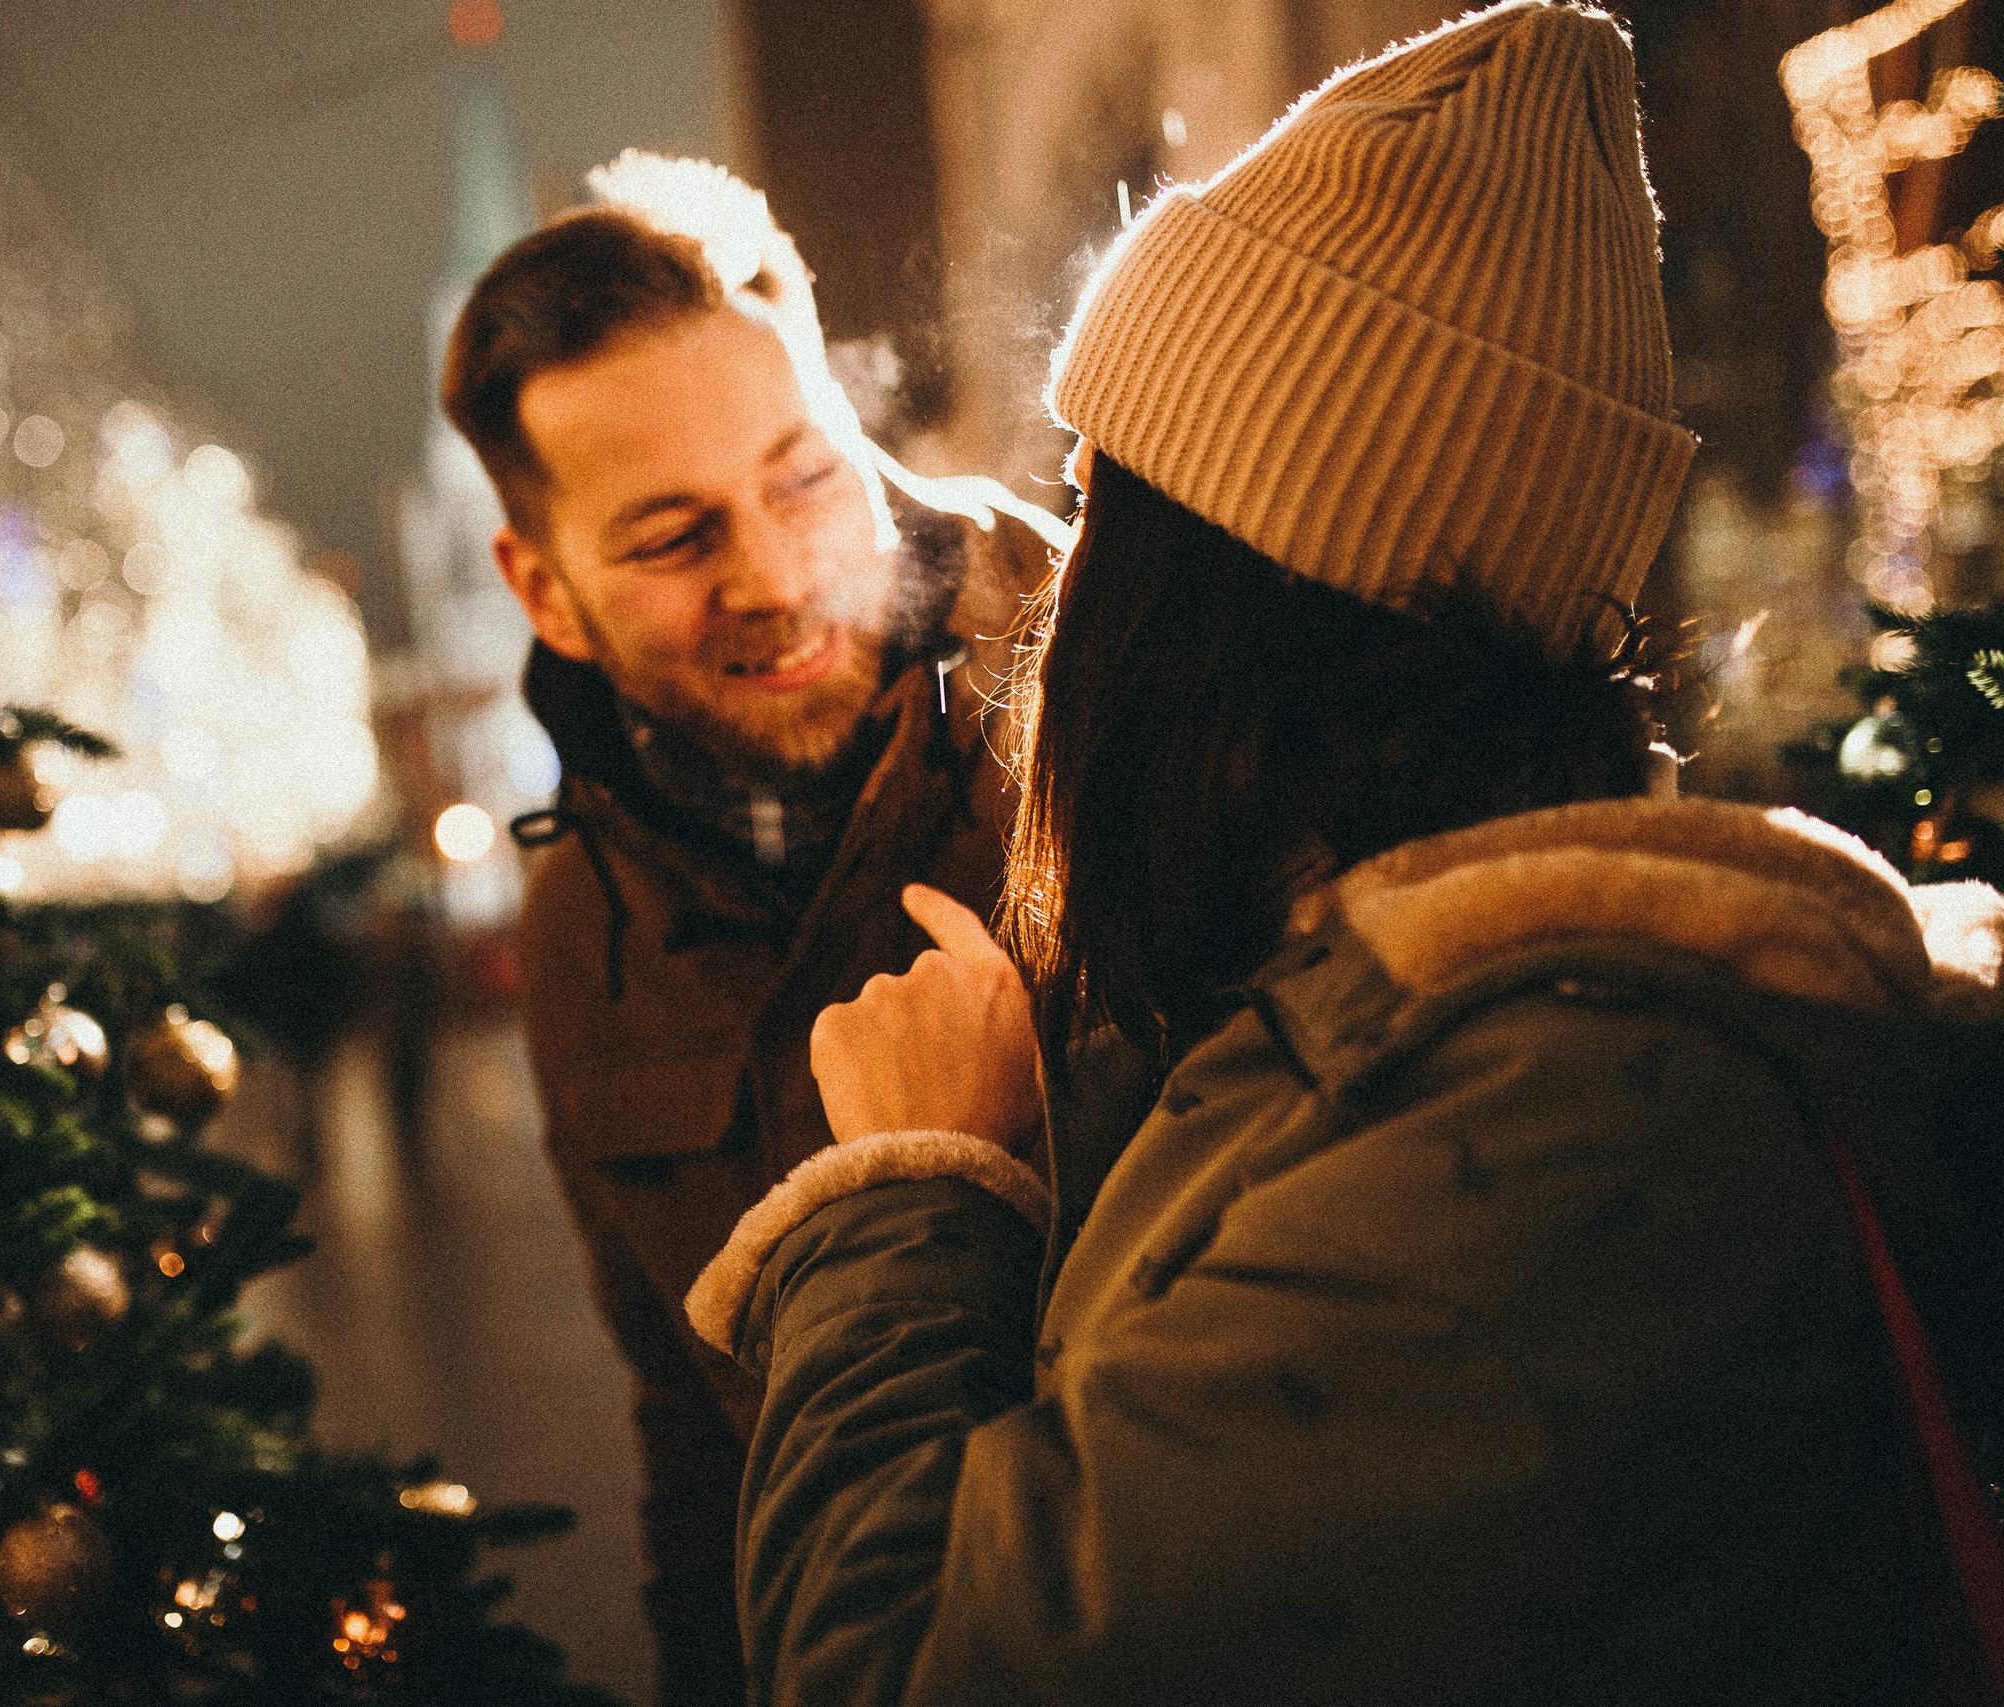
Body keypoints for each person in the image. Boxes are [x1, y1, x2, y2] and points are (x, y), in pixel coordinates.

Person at [682, 6, 2004, 1702]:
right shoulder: (1419, 1020)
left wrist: (912, 1191)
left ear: (1215, 609)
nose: (1060, 600)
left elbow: (899, 1669)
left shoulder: (1530, 1138)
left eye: (1102, 512)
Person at [440, 154, 1065, 1706]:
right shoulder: (581, 927)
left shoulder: (1106, 680)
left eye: (804, 477)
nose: (777, 579)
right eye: (672, 540)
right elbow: (700, 1442)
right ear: (543, 590)